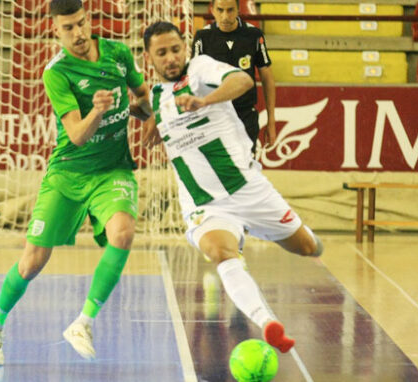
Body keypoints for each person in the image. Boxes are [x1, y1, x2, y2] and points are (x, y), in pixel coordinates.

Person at [0, 0, 152, 365]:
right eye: (68, 28)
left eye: (81, 23)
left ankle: (83, 322)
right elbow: (75, 134)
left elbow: (143, 95)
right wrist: (98, 110)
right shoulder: (56, 72)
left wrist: (151, 117)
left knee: (123, 232)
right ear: (55, 31)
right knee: (32, 262)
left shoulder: (118, 53)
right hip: (68, 173)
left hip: (112, 170)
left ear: (88, 20)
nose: (78, 33)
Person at [142, 21, 323, 353]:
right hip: (205, 204)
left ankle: (292, 235)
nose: (171, 58)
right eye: (162, 53)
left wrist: (206, 101)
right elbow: (146, 107)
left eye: (175, 49)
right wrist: (151, 121)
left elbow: (242, 79)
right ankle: (268, 323)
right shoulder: (156, 96)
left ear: (185, 47)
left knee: (308, 248)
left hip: (249, 191)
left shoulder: (199, 69)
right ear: (149, 58)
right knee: (221, 254)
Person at [192, 0, 277, 153]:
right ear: (212, 10)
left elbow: (267, 79)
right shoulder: (202, 37)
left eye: (230, 10)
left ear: (239, 10)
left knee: (246, 170)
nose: (225, 16)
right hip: (213, 116)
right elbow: (193, 80)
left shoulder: (254, 35)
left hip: (245, 116)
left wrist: (271, 121)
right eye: (220, 10)